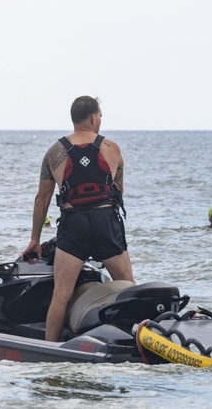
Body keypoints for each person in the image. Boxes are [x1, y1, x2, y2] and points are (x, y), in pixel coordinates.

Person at [22, 96, 134, 342]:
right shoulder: (112, 149)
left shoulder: (54, 152)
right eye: (100, 117)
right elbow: (119, 193)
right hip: (106, 221)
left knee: (61, 295)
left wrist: (35, 239)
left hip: (74, 224)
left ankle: (50, 351)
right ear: (94, 118)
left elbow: (42, 199)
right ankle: (137, 342)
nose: (100, 121)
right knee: (129, 288)